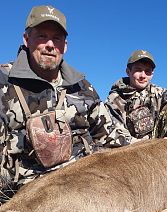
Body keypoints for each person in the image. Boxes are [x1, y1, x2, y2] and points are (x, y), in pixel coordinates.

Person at [0, 5, 113, 194]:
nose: (50, 45)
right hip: (27, 192)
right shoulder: (4, 80)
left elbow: (111, 137)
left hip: (88, 182)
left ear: (65, 46)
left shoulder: (83, 86)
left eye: (57, 38)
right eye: (42, 36)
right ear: (26, 40)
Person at [105, 50, 167, 146]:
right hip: (130, 150)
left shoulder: (157, 92)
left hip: (157, 146)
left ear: (152, 74)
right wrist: (150, 147)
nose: (143, 76)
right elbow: (115, 135)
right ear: (128, 71)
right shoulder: (114, 99)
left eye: (147, 71)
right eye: (138, 70)